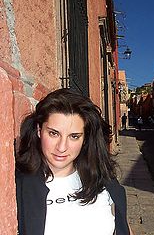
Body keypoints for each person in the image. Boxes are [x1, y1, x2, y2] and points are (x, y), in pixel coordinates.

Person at [15, 88, 134, 235]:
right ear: (39, 130)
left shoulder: (104, 180)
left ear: (85, 139)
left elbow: (124, 227)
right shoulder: (19, 187)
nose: (62, 147)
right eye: (53, 133)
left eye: (74, 136)